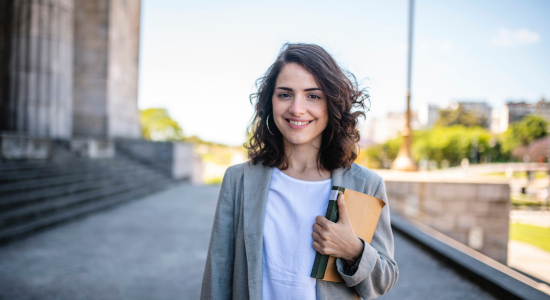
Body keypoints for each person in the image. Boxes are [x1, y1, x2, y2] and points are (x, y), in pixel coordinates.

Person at [201, 43, 398, 300]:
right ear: (270, 101)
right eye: (285, 94)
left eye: (313, 95)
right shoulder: (239, 180)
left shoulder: (365, 184)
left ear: (332, 103)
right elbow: (218, 274)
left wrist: (354, 250)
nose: (296, 108)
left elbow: (384, 281)